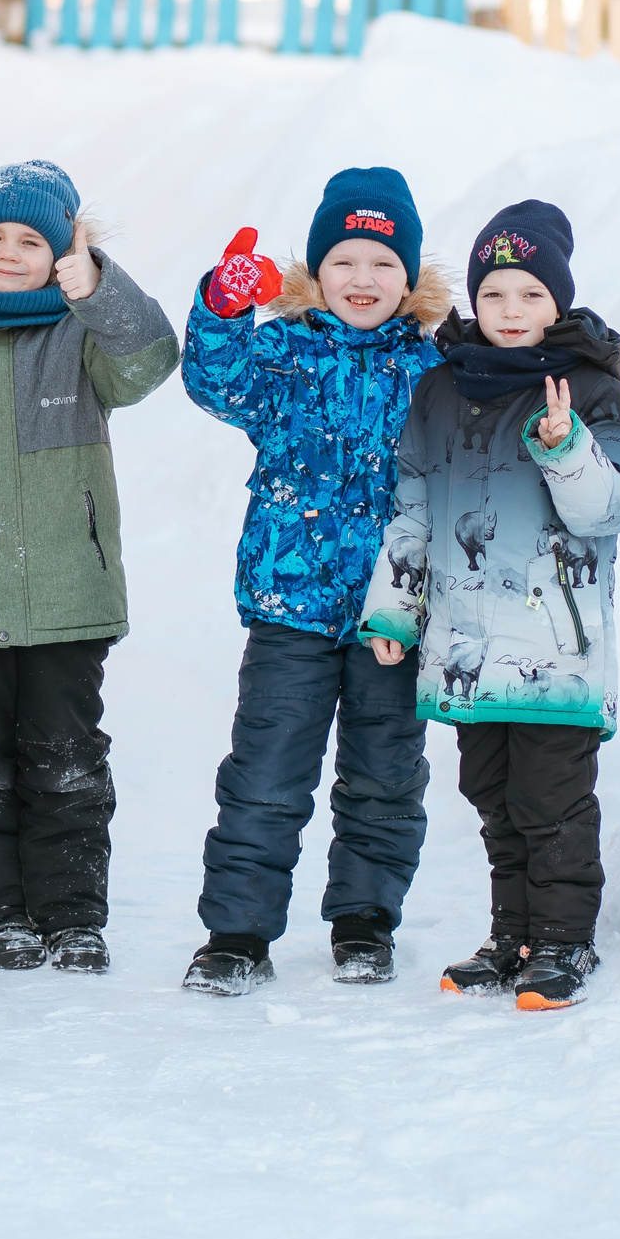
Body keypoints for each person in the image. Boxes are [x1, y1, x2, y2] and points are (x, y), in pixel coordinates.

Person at [0, 161, 179, 973]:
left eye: (32, 241)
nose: (9, 253)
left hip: (65, 598)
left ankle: (74, 916)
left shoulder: (84, 337)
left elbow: (152, 359)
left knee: (68, 762)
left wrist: (100, 289)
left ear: (60, 254)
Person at [356, 199, 620, 1011]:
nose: (511, 312)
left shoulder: (590, 389)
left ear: (558, 301)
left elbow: (613, 510)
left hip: (556, 646)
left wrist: (567, 448)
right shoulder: (442, 390)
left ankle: (562, 943)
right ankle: (514, 934)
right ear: (474, 300)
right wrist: (394, 610)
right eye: (495, 295)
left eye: (530, 296)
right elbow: (413, 508)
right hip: (469, 648)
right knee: (493, 801)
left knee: (550, 804)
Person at [178, 167, 450, 996]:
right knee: (264, 774)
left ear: (408, 280)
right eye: (344, 262)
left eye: (382, 266)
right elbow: (213, 381)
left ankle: (365, 922)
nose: (362, 281)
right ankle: (236, 934)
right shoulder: (285, 350)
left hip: (393, 615)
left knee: (383, 776)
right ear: (315, 271)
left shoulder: (434, 368)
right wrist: (223, 309)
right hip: (289, 607)